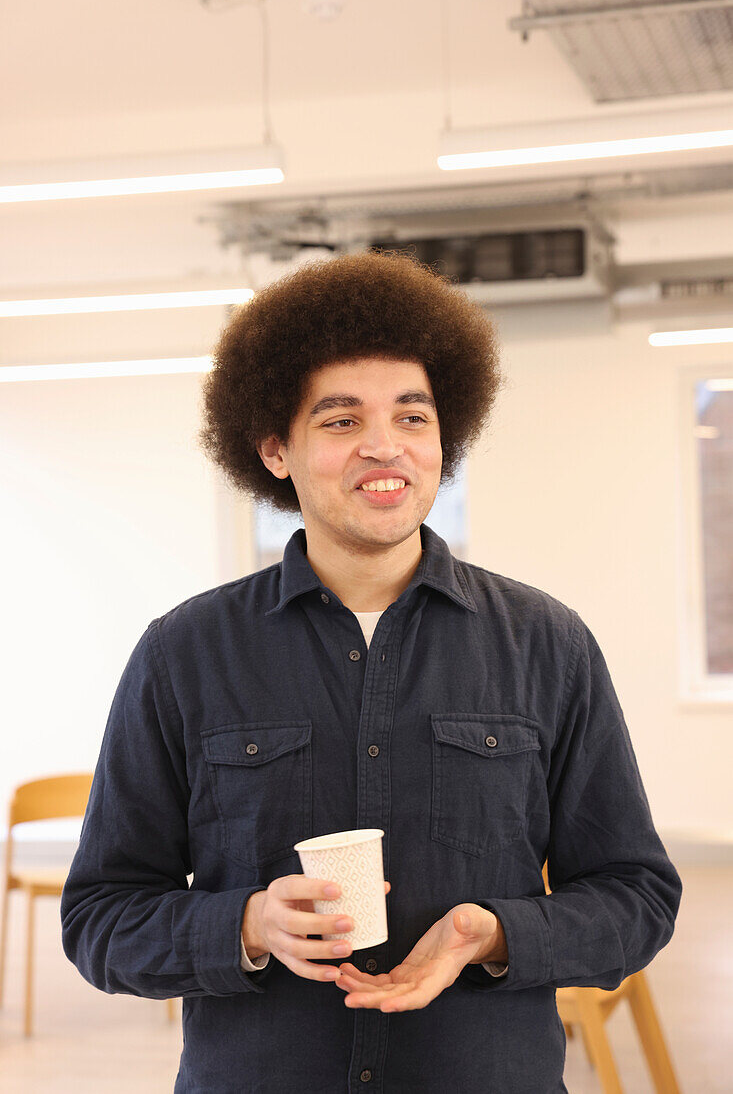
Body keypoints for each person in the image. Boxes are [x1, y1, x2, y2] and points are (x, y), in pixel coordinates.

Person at [61, 250, 682, 1093]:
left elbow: (635, 896)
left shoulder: (545, 644)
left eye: (412, 417)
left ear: (444, 439)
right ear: (276, 450)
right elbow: (101, 920)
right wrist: (244, 925)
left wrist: (491, 933)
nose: (383, 446)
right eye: (341, 420)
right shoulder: (184, 654)